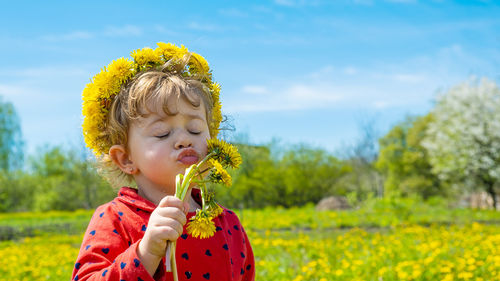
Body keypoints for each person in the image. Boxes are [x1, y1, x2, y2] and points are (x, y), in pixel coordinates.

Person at [71, 42, 255, 281]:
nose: (184, 140)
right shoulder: (115, 218)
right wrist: (146, 252)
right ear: (125, 158)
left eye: (196, 129)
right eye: (162, 133)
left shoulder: (228, 223)